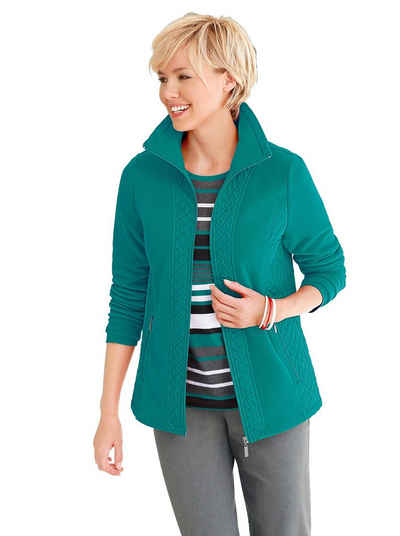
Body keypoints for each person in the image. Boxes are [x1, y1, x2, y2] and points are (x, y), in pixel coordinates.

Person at [93, 12, 346, 536]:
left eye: (184, 76)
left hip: (273, 399)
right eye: (163, 77)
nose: (168, 92)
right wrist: (107, 412)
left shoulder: (282, 172)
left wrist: (272, 309)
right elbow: (128, 296)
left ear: (229, 79)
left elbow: (328, 269)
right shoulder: (141, 177)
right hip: (181, 408)